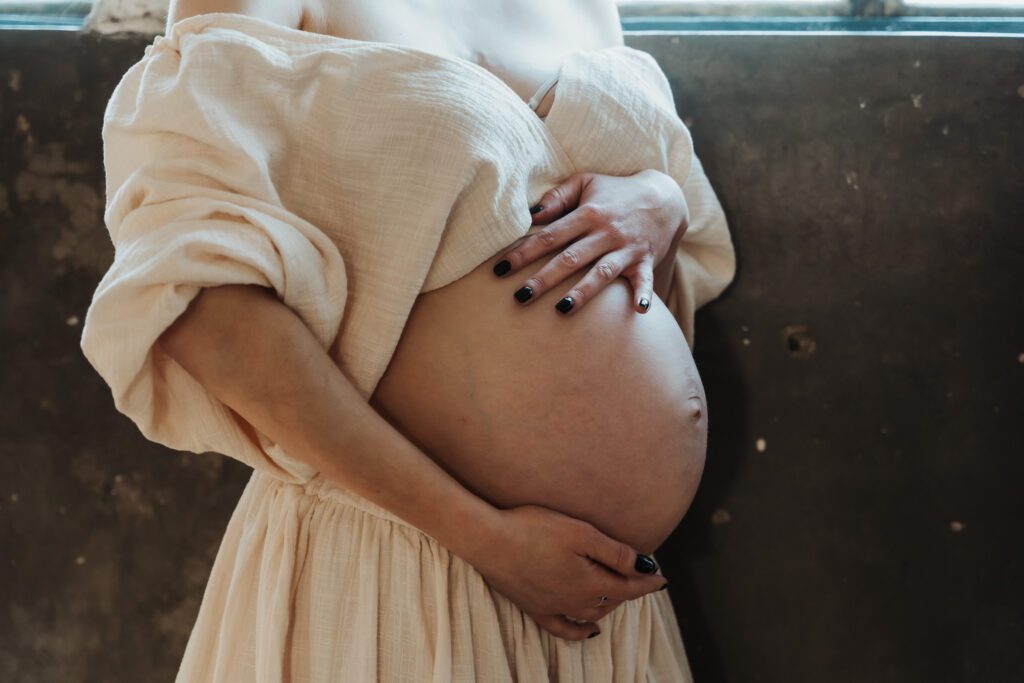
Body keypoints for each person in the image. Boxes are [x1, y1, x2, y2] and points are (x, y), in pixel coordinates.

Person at [80, 0, 736, 679]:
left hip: (597, 602)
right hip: (405, 563)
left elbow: (633, 247)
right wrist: (488, 539)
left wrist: (662, 198)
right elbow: (204, 310)